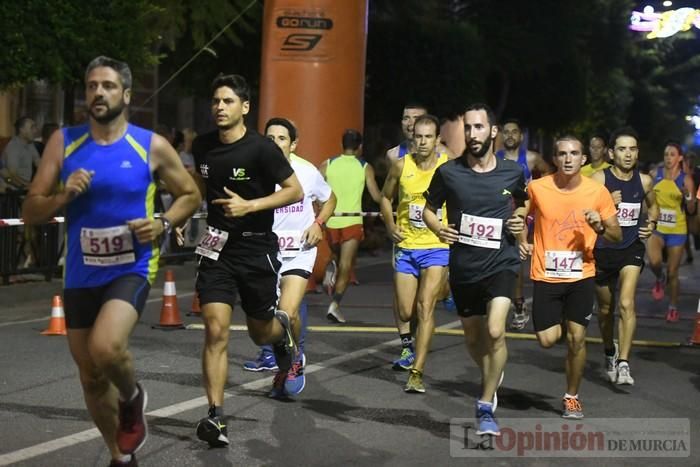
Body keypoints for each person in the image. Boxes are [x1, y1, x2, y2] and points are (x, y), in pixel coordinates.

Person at [21, 56, 201, 467]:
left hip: (130, 265)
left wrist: (163, 222)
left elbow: (190, 194)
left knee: (106, 347)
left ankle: (133, 396)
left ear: (126, 94)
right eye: (91, 86)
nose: (98, 93)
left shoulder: (149, 144)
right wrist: (62, 197)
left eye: (107, 85)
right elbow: (31, 210)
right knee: (90, 375)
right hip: (82, 271)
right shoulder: (64, 142)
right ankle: (120, 456)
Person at [190, 74, 303, 447]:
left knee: (260, 331)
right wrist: (176, 217)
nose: (219, 107)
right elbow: (196, 188)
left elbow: (294, 190)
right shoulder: (202, 146)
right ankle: (216, 416)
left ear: (245, 107)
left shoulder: (261, 149)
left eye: (227, 101)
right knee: (215, 329)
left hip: (256, 249)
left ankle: (282, 335)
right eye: (215, 101)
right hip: (217, 249)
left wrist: (250, 205)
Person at [423, 104, 528, 436]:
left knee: (495, 330)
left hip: (502, 262)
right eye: (468, 128)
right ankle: (492, 373)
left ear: (493, 131)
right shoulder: (448, 172)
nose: (472, 134)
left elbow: (522, 203)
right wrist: (439, 228)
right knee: (473, 337)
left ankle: (484, 404)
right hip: (465, 266)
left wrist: (519, 218)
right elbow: (426, 210)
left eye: (479, 127)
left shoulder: (512, 172)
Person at [521, 134, 621, 420]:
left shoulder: (596, 192)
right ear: (555, 159)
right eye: (562, 154)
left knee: (577, 339)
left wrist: (600, 226)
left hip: (582, 274)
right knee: (547, 340)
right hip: (546, 275)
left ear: (583, 159)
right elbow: (518, 214)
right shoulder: (537, 188)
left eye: (574, 154)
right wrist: (520, 238)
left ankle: (572, 397)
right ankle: (560, 322)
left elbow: (616, 234)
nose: (568, 159)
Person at [241, 117, 336, 398]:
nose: (275, 143)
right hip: (266, 252)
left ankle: (293, 362)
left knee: (287, 311)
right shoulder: (254, 173)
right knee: (267, 319)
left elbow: (330, 199)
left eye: (281, 138)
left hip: (299, 252)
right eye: (269, 138)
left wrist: (318, 224)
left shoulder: (306, 172)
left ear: (293, 144)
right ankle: (286, 357)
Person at [379, 114, 449, 392]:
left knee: (425, 307)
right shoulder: (400, 166)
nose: (422, 142)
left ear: (437, 140)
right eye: (418, 136)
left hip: (436, 246)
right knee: (407, 311)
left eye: (428, 137)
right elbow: (385, 198)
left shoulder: (447, 167)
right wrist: (389, 224)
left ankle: (417, 372)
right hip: (407, 246)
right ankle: (415, 340)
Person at [591, 127, 658, 385]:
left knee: (626, 303)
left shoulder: (645, 181)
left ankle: (624, 363)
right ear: (611, 153)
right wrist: (606, 202)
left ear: (637, 152)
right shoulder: (599, 179)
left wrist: (651, 223)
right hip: (603, 250)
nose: (628, 154)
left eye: (632, 149)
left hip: (631, 249)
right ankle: (610, 351)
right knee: (606, 310)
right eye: (622, 149)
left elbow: (653, 207)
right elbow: (583, 212)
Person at [321, 129, 382, 323]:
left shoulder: (327, 164)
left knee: (338, 258)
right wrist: (390, 201)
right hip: (352, 221)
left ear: (342, 145)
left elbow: (314, 190)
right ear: (360, 147)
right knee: (347, 265)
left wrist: (319, 211)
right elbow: (376, 196)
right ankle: (335, 304)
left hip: (331, 221)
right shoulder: (365, 167)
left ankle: (330, 267)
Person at [496, 118, 551, 330]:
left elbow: (547, 172)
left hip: (523, 212)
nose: (509, 135)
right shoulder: (495, 158)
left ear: (520, 136)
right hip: (500, 213)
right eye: (506, 132)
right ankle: (513, 303)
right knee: (508, 260)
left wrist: (534, 188)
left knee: (517, 252)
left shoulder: (530, 158)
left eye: (514, 132)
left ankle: (519, 304)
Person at [647, 142, 696, 321]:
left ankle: (673, 307)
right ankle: (660, 278)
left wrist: (687, 195)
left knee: (674, 272)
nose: (668, 158)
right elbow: (647, 197)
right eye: (666, 154)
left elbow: (691, 209)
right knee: (654, 261)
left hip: (677, 230)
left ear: (680, 158)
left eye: (672, 154)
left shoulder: (686, 179)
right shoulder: (655, 175)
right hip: (658, 228)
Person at [1, 116, 40, 189]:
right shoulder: (13, 147)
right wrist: (26, 186)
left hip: (24, 187)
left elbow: (38, 162)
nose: (35, 130)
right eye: (32, 127)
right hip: (12, 191)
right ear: (22, 130)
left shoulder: (30, 144)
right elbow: (11, 176)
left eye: (35, 127)